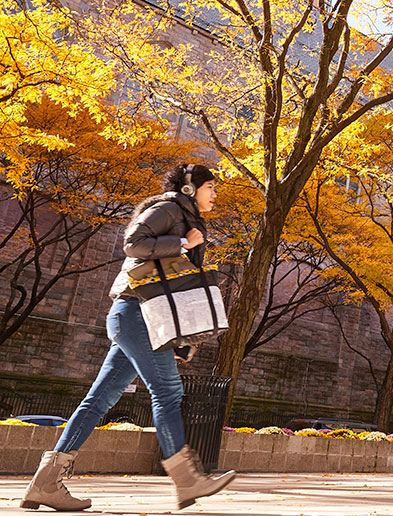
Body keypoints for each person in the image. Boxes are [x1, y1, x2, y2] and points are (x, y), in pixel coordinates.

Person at [20, 164, 236, 511]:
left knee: (99, 400)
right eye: (210, 186)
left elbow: (172, 284)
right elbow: (133, 243)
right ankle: (186, 479)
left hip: (141, 317)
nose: (215, 194)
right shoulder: (168, 210)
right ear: (189, 188)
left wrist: (180, 336)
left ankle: (46, 483)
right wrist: (182, 242)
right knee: (168, 391)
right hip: (136, 314)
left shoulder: (188, 219)